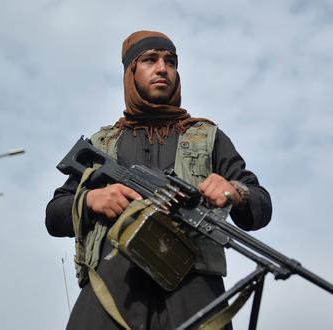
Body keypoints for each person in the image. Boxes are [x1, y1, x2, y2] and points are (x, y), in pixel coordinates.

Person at [46, 30, 272, 330]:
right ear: (131, 72)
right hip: (112, 289)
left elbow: (260, 205)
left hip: (192, 289)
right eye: (150, 60)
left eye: (171, 61)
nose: (163, 68)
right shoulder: (103, 144)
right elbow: (54, 215)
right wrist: (91, 199)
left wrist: (235, 191)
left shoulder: (207, 137)